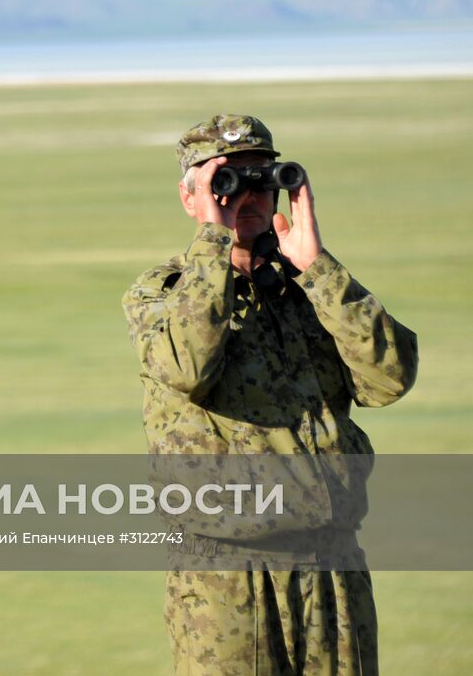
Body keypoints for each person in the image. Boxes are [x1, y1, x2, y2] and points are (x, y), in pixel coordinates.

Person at [121, 115, 418, 676]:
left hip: (332, 564)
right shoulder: (160, 294)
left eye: (262, 181)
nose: (247, 197)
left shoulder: (310, 289)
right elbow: (186, 366)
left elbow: (390, 378)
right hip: (228, 575)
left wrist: (318, 268)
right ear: (192, 198)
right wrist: (214, 239)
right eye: (226, 184)